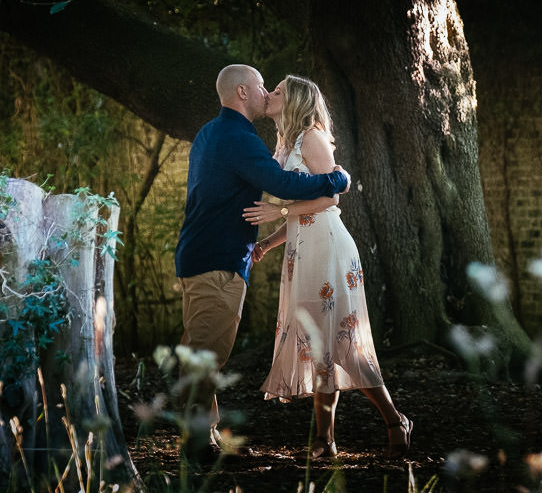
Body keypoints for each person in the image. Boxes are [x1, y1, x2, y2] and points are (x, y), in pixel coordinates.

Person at [174, 64, 351, 458]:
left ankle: (207, 434)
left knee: (200, 350)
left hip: (200, 255)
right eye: (260, 87)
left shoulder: (209, 133)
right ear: (242, 92)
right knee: (207, 354)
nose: (265, 92)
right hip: (217, 260)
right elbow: (284, 185)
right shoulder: (240, 138)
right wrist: (338, 180)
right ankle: (197, 445)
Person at [244, 75, 412, 459]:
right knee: (316, 343)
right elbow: (299, 212)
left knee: (345, 345)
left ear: (297, 101)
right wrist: (270, 241)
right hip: (302, 250)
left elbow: (328, 199)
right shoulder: (284, 145)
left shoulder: (313, 138)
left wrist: (278, 211)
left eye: (279, 91)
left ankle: (395, 420)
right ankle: (325, 440)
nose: (270, 94)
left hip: (329, 246)